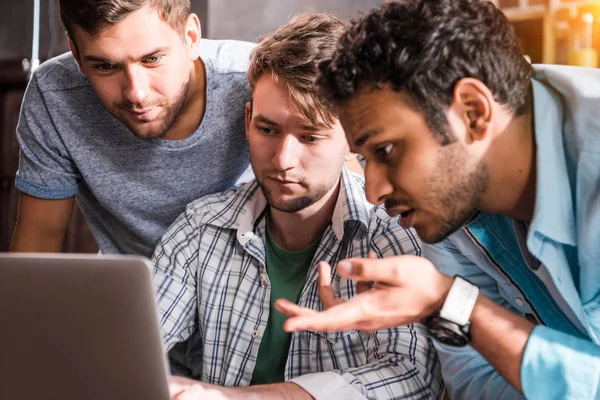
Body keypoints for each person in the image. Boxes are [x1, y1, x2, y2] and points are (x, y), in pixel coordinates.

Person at [275, 1, 600, 399]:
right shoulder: (450, 206)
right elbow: (474, 381)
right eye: (364, 159)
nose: (374, 192)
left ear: (473, 112)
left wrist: (453, 303)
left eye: (388, 150)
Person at [153, 13, 443, 400]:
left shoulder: (390, 234)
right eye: (267, 130)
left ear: (352, 138)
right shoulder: (201, 227)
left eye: (310, 136)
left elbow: (414, 376)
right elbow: (129, 348)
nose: (283, 159)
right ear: (247, 121)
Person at [11, 0, 255, 257]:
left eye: (152, 59)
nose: (136, 94)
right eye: (105, 66)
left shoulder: (256, 80)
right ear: (76, 54)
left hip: (244, 287)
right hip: (130, 289)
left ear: (191, 37)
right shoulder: (55, 95)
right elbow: (37, 244)